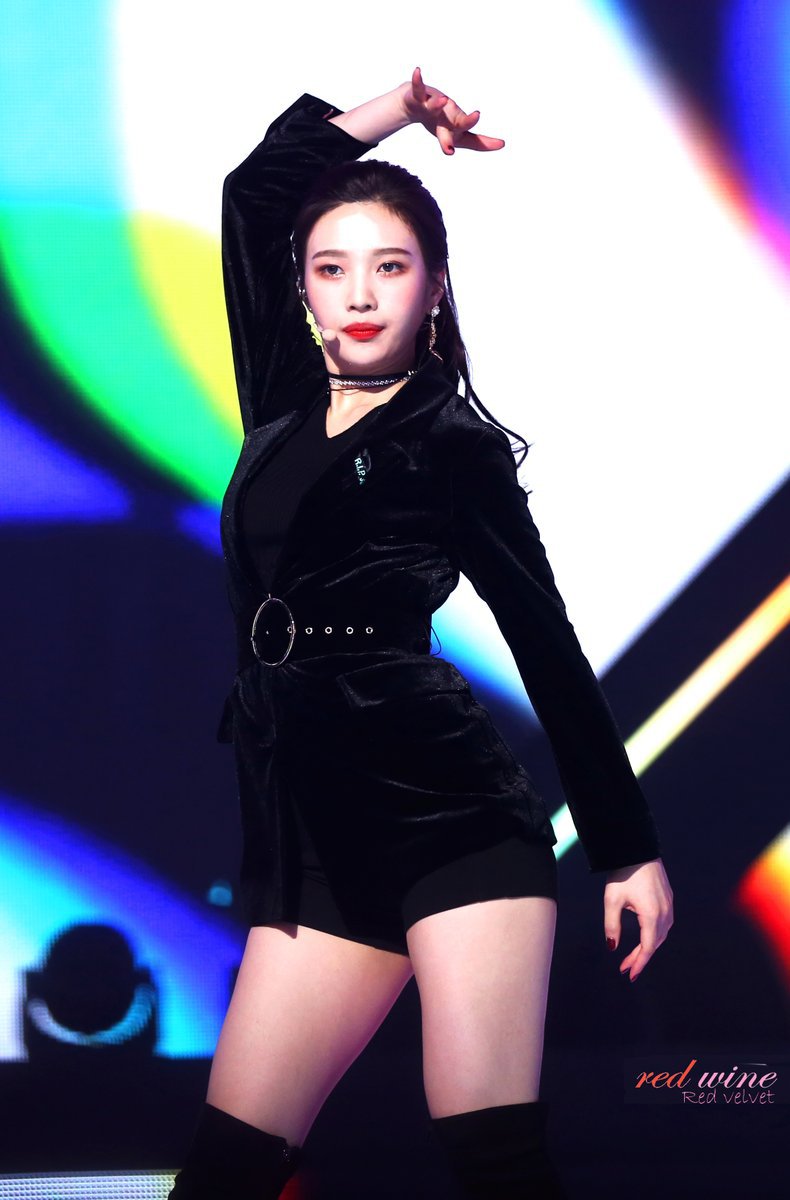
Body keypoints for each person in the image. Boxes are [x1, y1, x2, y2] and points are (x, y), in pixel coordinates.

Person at [168, 68, 674, 1199]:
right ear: (302, 287)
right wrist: (402, 107)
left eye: (390, 266)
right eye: (331, 267)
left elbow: (545, 644)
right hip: (313, 827)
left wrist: (625, 846)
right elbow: (256, 192)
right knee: (227, 1171)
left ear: (435, 287)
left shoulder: (453, 444)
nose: (359, 293)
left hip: (453, 817)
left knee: (493, 1158)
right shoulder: (283, 397)